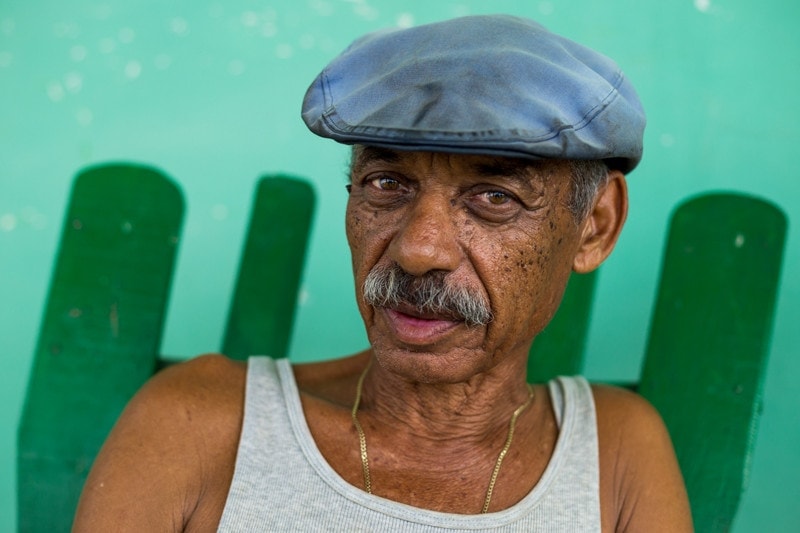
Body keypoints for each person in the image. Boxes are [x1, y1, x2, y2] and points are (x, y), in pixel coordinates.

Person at [74, 14, 692, 532]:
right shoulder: (200, 425)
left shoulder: (614, 454)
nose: (418, 250)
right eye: (386, 183)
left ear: (596, 225)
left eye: (494, 196)